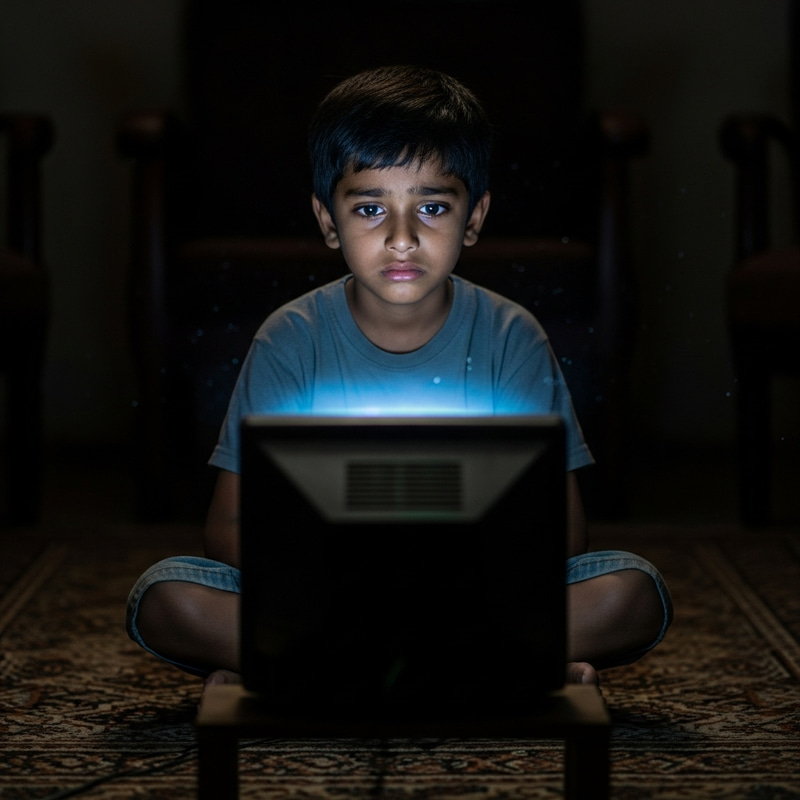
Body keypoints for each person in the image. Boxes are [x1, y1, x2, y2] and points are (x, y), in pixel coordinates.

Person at [126, 65, 672, 691]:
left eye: (433, 207)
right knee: (166, 597)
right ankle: (476, 666)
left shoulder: (510, 335)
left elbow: (563, 530)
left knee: (633, 591)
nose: (402, 239)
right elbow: (226, 526)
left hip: (476, 596)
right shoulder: (289, 338)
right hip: (326, 595)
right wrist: (344, 575)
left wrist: (454, 579)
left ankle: (327, 668)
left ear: (475, 217)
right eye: (369, 208)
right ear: (328, 221)